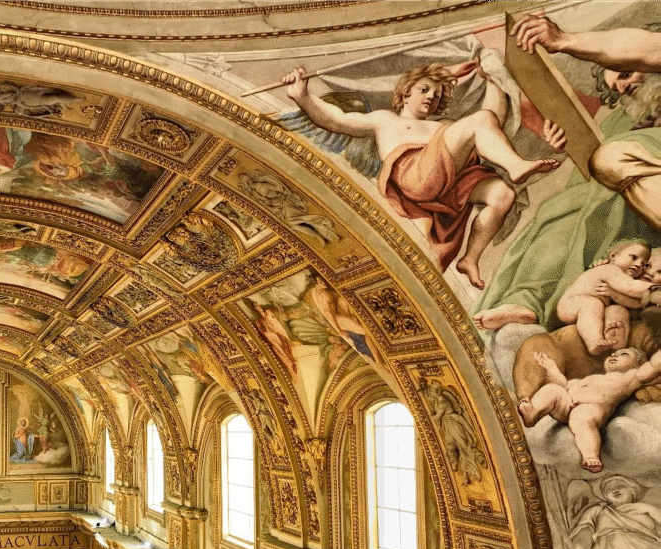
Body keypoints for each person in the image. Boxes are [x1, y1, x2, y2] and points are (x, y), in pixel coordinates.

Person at [282, 63, 558, 289]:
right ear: (404, 94)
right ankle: (516, 166)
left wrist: (492, 79)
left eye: (437, 95)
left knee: (503, 194)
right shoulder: (386, 120)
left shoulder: (443, 126)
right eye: (424, 89)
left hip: (446, 184)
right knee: (480, 121)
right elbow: (337, 119)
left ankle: (471, 258)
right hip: (415, 176)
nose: (431, 97)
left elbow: (491, 120)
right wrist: (303, 96)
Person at [473, 18, 661, 331]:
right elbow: (593, 167)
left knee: (613, 157)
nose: (627, 87)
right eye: (620, 89)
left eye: (627, 73)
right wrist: (567, 143)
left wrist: (566, 40)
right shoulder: (629, 124)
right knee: (563, 209)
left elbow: (643, 47)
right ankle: (527, 299)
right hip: (636, 206)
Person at [517, 347, 661, 472]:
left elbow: (652, 366)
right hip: (567, 403)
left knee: (581, 418)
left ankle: (590, 456)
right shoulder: (593, 377)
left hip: (593, 408)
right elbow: (565, 385)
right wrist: (551, 368)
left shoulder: (629, 377)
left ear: (637, 365)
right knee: (552, 389)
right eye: (614, 353)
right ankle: (533, 413)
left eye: (624, 354)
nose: (614, 355)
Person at [555, 240, 653, 354]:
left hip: (592, 306)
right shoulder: (611, 269)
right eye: (634, 257)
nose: (638, 265)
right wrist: (655, 288)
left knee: (616, 310)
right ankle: (594, 341)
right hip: (571, 304)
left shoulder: (620, 275)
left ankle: (616, 342)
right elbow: (631, 287)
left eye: (643, 264)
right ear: (613, 256)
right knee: (592, 304)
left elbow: (633, 302)